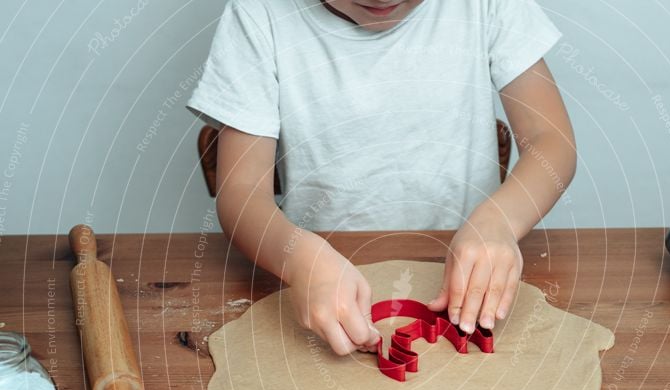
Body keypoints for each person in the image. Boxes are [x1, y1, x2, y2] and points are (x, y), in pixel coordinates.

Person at [186, 0, 575, 356]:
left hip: (466, 279)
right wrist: (298, 258)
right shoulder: (259, 14)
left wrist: (499, 222)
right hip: (322, 278)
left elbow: (551, 143)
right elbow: (240, 192)